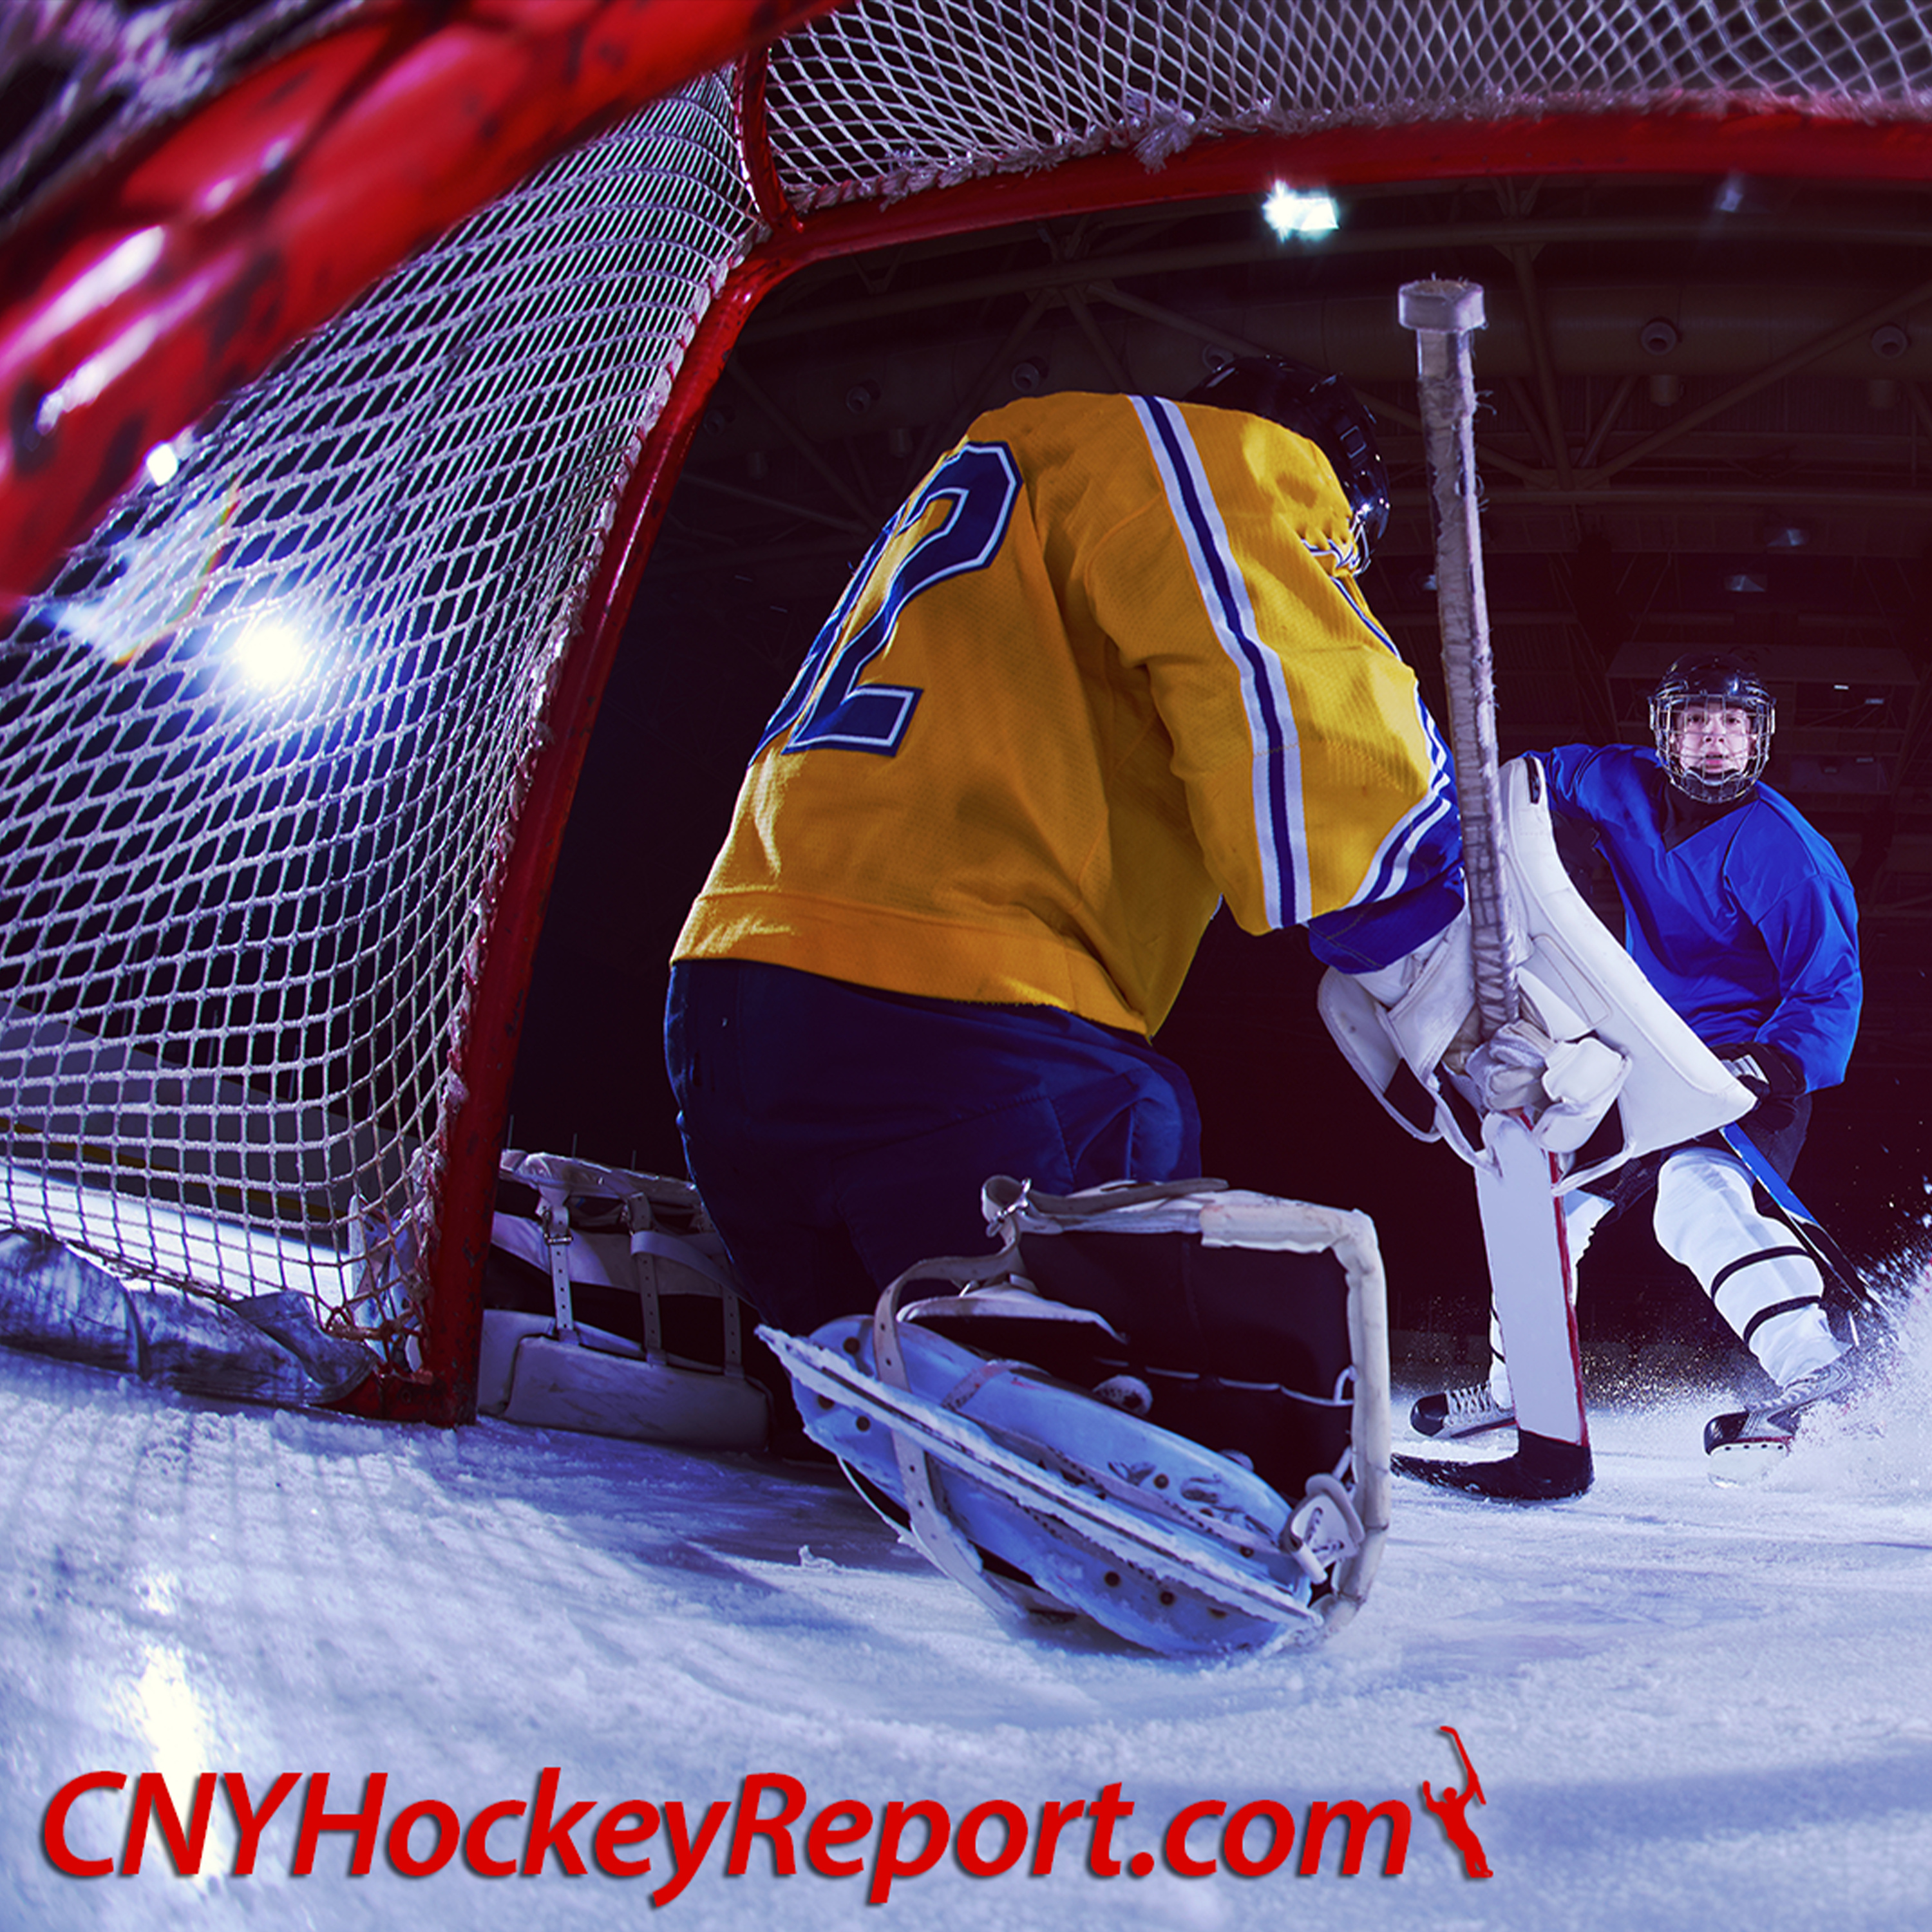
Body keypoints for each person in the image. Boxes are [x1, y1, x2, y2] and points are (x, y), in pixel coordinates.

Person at [663, 357, 1466, 1340]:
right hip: (950, 1022)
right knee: (1098, 1357)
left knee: (871, 1387)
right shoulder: (1213, 461)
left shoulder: (997, 480)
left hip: (729, 1013)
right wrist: (1436, 945)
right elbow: (1317, 730)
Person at [1413, 652, 1864, 1444]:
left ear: (1758, 737)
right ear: (1666, 732)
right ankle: (1518, 1390)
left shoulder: (1786, 851)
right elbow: (1533, 779)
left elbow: (1828, 985)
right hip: (1640, 1047)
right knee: (1542, 1204)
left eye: (1734, 723)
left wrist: (1769, 1065)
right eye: (1696, 721)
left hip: (1739, 1064)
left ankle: (1818, 1373)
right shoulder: (1618, 781)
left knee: (1694, 1195)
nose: (1715, 739)